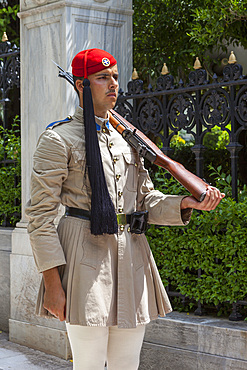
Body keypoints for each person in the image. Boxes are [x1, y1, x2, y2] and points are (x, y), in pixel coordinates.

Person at [25, 48, 224, 370]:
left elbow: (145, 200)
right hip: (83, 254)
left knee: (126, 364)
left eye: (115, 77)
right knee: (88, 364)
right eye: (103, 77)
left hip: (131, 253)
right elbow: (39, 218)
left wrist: (185, 203)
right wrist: (52, 284)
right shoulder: (57, 139)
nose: (113, 84)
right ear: (81, 85)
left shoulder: (126, 140)